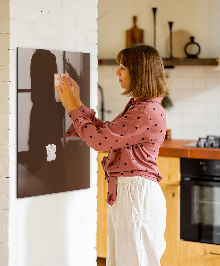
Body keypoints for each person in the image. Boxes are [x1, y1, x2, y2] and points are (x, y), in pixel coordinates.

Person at [55, 44, 168, 266]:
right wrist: (77, 104)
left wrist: (71, 108)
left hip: (136, 195)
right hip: (130, 193)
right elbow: (107, 134)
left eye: (123, 67)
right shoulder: (141, 106)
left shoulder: (145, 111)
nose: (117, 72)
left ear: (139, 71)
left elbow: (99, 141)